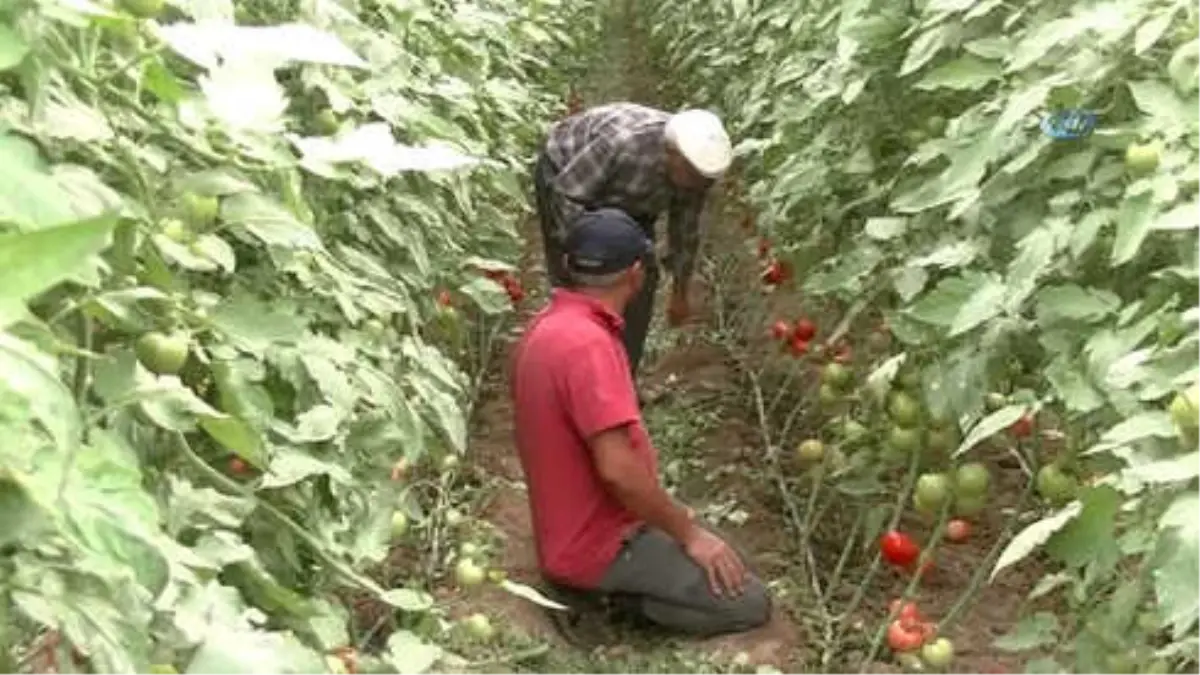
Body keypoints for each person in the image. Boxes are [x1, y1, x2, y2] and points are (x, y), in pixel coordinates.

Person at [510, 208, 771, 638]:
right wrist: (687, 534)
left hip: (574, 527)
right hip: (599, 544)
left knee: (729, 557)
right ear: (635, 273)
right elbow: (617, 470)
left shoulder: (546, 328)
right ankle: (614, 604)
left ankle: (622, 585)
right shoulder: (587, 345)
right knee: (747, 599)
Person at [531, 103, 733, 383]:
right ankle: (569, 374)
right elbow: (568, 195)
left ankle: (619, 381)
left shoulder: (695, 176)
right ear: (671, 154)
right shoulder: (623, 145)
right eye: (691, 176)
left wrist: (680, 291)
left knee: (641, 278)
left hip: (629, 201)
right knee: (578, 286)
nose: (697, 186)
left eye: (705, 181)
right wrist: (582, 257)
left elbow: (685, 232)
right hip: (569, 173)